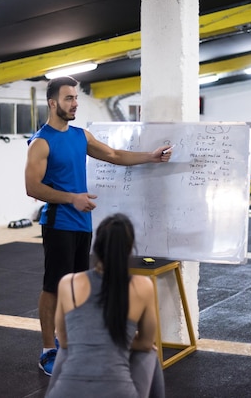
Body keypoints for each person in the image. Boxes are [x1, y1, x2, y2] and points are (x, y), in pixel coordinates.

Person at [24, 76, 172, 376]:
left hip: (82, 223)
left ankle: (69, 341)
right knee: (53, 287)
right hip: (59, 222)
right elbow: (31, 187)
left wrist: (150, 157)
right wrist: (71, 198)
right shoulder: (41, 141)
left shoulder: (81, 136)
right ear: (53, 103)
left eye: (76, 98)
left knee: (79, 286)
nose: (75, 103)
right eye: (68, 98)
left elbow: (114, 155)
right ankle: (47, 350)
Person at [46, 213, 164, 397]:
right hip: (118, 392)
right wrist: (119, 339)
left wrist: (90, 338)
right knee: (149, 354)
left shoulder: (68, 283)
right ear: (129, 249)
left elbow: (64, 340)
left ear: (97, 246)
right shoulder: (143, 286)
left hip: (66, 392)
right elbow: (147, 343)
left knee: (66, 351)